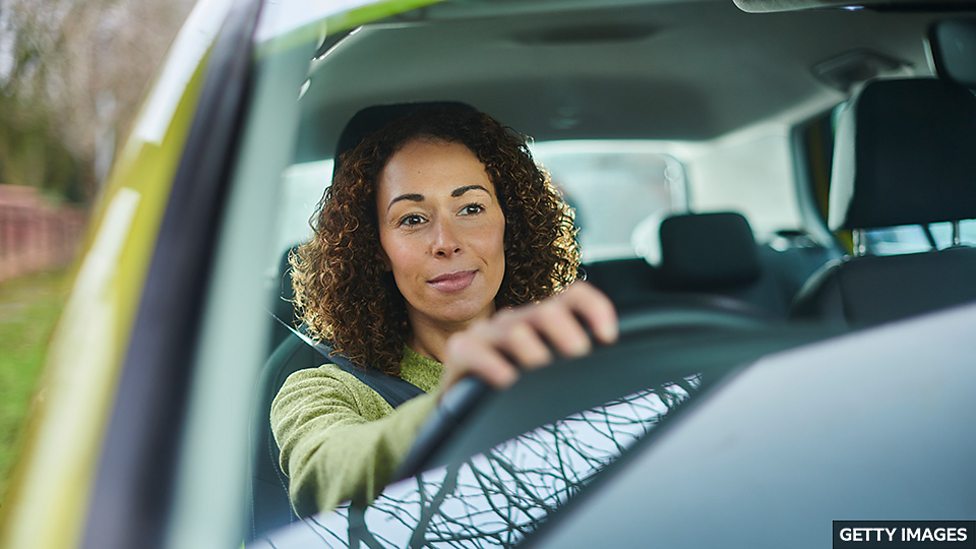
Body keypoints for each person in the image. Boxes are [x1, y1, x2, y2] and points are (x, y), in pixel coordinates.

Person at [271, 105, 618, 516]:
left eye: (471, 208)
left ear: (509, 222)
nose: (446, 241)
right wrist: (456, 404)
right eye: (413, 218)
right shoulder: (321, 390)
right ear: (376, 249)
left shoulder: (583, 357)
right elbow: (324, 473)